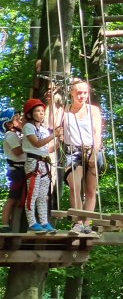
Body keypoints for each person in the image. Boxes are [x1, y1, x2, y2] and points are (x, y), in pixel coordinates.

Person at [51, 79, 104, 234]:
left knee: (90, 190)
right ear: (71, 93)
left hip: (91, 150)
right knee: (75, 186)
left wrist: (95, 152)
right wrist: (52, 101)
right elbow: (52, 124)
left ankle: (87, 223)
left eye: (85, 93)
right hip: (72, 152)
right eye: (78, 92)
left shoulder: (92, 110)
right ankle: (77, 222)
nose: (82, 96)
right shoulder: (64, 110)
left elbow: (96, 132)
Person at [21, 98, 63, 233]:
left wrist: (58, 141)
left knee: (42, 196)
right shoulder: (28, 127)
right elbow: (36, 143)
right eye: (37, 111)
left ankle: (44, 223)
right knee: (32, 194)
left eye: (42, 111)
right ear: (29, 114)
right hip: (33, 163)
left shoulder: (44, 130)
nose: (41, 113)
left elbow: (47, 148)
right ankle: (32, 223)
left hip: (44, 163)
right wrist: (54, 135)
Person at [1, 109, 24, 232]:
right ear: (9, 124)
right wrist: (30, 143)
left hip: (20, 170)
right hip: (17, 171)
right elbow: (18, 151)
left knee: (19, 198)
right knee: (12, 198)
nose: (19, 120)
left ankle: (13, 225)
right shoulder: (10, 135)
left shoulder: (17, 134)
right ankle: (4, 224)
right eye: (16, 118)